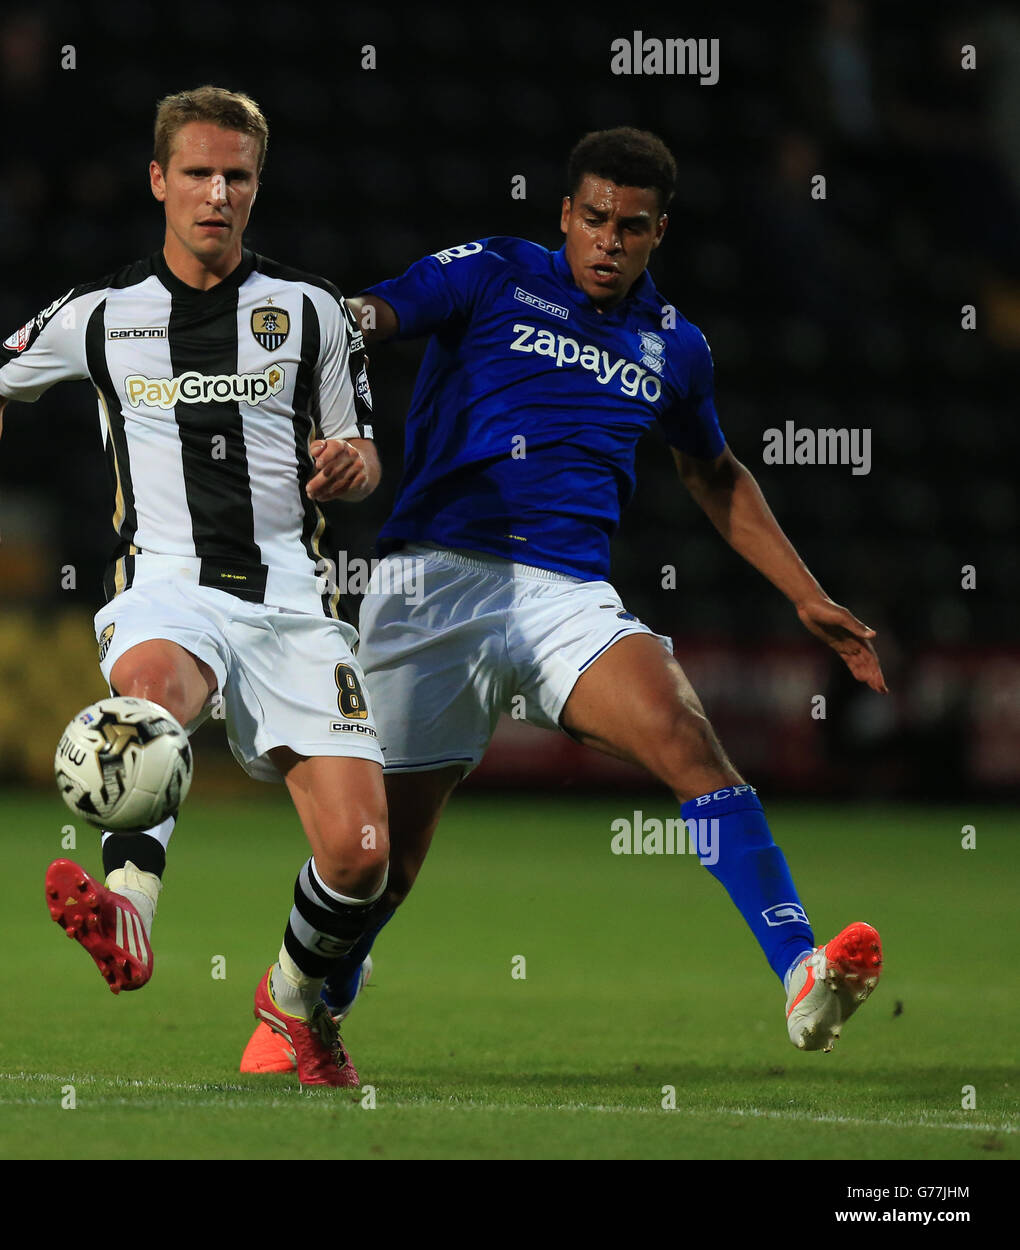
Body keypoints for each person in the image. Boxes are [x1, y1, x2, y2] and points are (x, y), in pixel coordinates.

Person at [242, 126, 886, 1073]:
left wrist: (806, 594)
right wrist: (313, 322)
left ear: (659, 232)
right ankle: (306, 1002)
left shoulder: (677, 348)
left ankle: (800, 972)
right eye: (594, 219)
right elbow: (374, 315)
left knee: (684, 734)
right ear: (565, 216)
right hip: (434, 584)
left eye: (632, 226)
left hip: (566, 594)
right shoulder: (496, 271)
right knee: (386, 859)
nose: (609, 241)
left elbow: (715, 473)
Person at [0, 85, 387, 1087]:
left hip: (293, 596)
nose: (216, 193)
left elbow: (361, 448)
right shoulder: (102, 315)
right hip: (166, 582)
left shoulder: (311, 313)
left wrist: (352, 462)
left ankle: (293, 998)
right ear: (157, 181)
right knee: (151, 705)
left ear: (256, 187)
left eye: (237, 176)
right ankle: (127, 910)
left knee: (359, 855)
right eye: (197, 174)